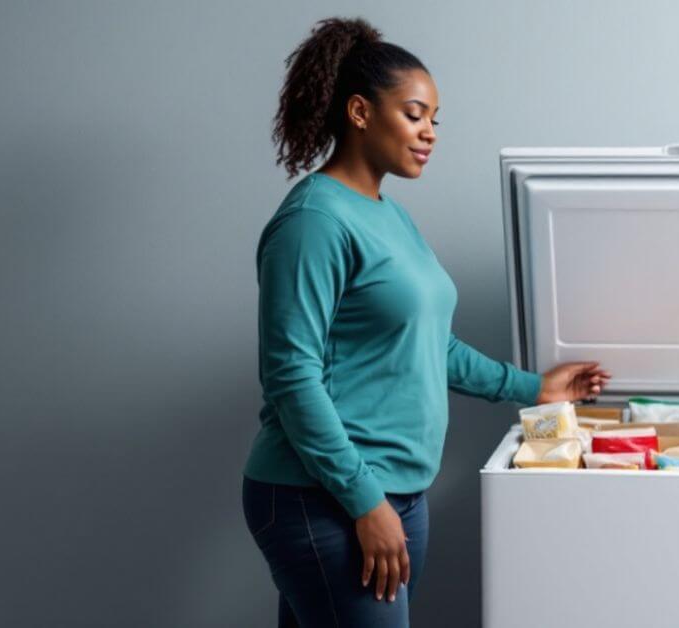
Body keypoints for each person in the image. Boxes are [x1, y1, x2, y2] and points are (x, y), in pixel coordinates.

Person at [240, 17, 610, 627]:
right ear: (360, 112)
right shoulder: (313, 222)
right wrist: (365, 501)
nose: (430, 133)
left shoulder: (388, 216)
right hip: (325, 498)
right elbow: (290, 377)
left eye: (435, 119)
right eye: (415, 115)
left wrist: (535, 389)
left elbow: (431, 347)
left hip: (392, 494)